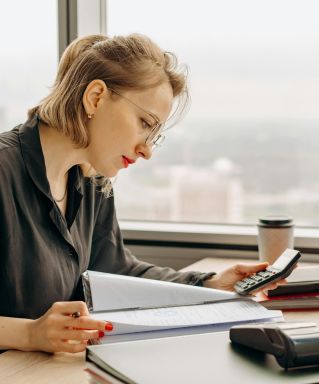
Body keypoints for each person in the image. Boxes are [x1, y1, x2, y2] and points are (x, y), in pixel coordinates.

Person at [0, 34, 282, 354]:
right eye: (144, 123)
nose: (146, 151)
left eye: (154, 135)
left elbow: (116, 269)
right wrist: (29, 334)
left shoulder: (92, 178)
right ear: (95, 97)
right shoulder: (3, 172)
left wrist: (208, 284)